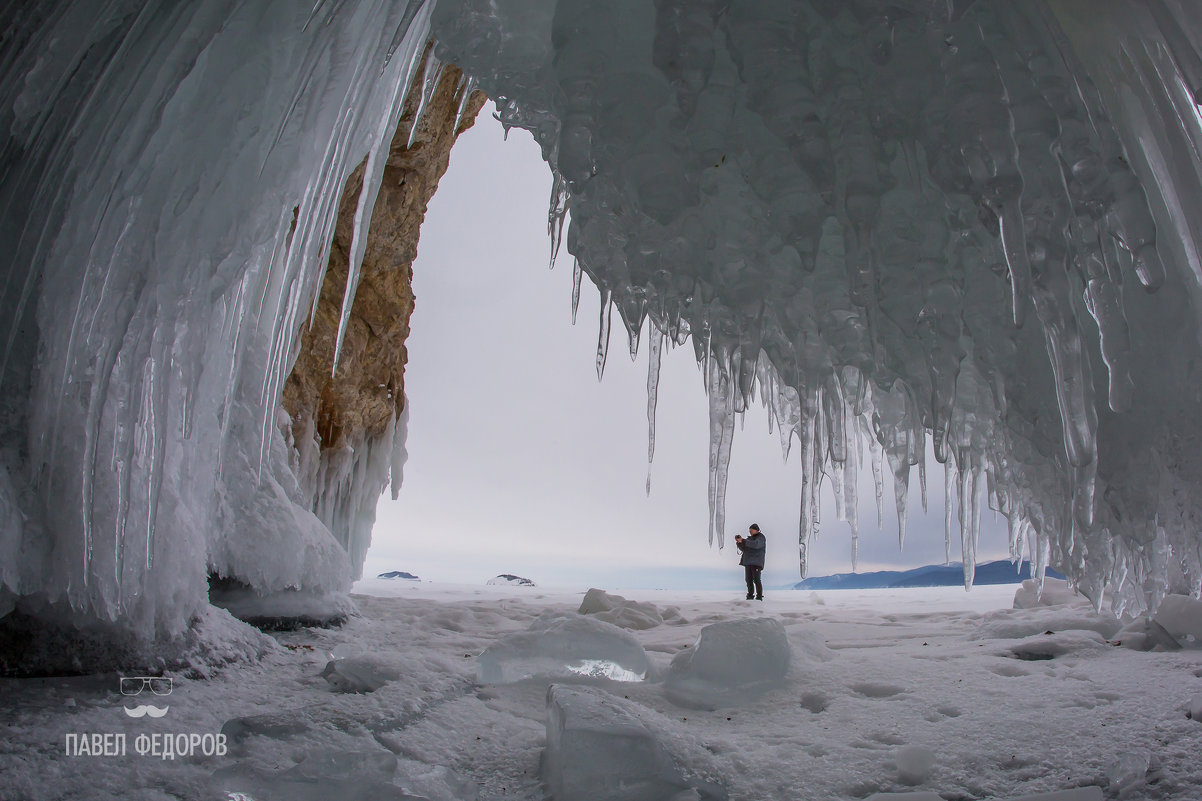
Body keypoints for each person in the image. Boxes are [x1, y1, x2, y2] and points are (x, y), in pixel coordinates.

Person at [734, 523, 766, 600]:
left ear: (756, 530)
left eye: (751, 530)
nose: (750, 532)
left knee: (756, 579)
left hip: (756, 562)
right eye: (749, 530)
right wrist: (739, 542)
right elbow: (744, 549)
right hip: (748, 562)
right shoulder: (749, 539)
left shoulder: (761, 538)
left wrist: (744, 540)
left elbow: (756, 545)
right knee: (748, 579)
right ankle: (750, 595)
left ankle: (759, 596)